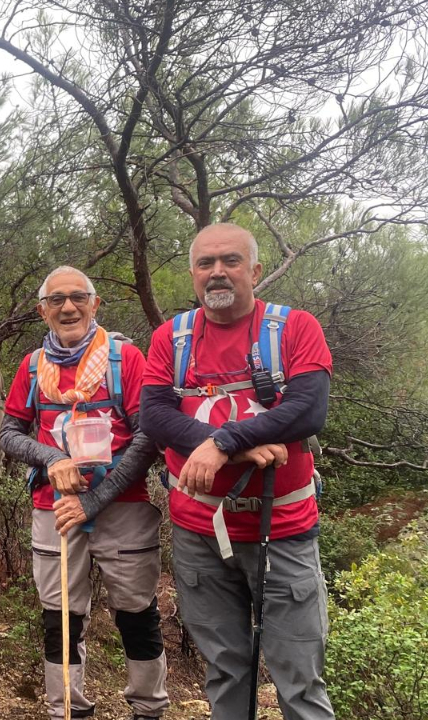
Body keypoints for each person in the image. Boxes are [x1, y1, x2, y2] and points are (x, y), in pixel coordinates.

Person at [141, 223, 334, 720]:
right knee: (225, 672)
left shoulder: (295, 328)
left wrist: (224, 442)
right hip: (198, 533)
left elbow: (308, 410)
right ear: (193, 273)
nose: (218, 272)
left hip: (283, 532)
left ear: (255, 270)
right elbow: (155, 415)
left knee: (300, 681)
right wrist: (237, 447)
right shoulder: (172, 338)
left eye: (231, 260)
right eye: (205, 263)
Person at [0, 266, 167, 720]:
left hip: (123, 507)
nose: (68, 307)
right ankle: (67, 709)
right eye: (56, 300)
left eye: (78, 297)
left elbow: (148, 437)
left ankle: (148, 709)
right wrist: (51, 458)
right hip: (53, 508)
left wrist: (95, 498)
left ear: (95, 304)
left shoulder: (125, 360)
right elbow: (9, 432)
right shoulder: (32, 366)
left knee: (136, 612)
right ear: (43, 311)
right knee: (60, 618)